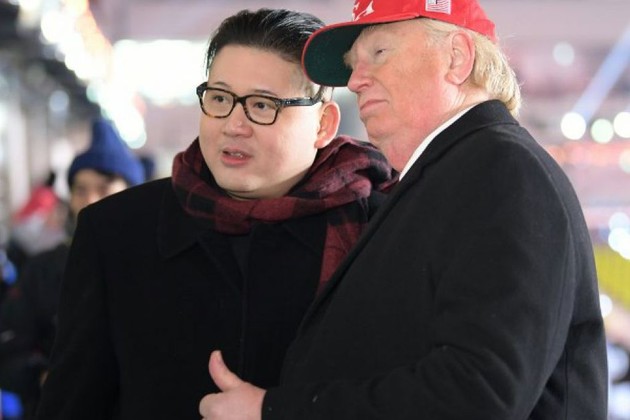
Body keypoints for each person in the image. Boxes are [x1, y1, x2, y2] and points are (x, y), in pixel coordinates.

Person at [198, 1, 608, 419]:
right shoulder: (452, 176)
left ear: (457, 58)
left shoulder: (501, 170)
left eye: (379, 52)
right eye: (352, 65)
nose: (355, 81)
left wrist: (272, 411)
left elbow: (480, 393)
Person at [34, 8, 395, 420]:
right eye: (220, 99)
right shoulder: (116, 232)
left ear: (323, 124)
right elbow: (71, 403)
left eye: (263, 105)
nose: (233, 125)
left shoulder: (378, 233)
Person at [0, 117, 145, 419]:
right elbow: (9, 352)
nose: (90, 200)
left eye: (104, 188)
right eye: (80, 190)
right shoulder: (44, 269)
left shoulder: (155, 266)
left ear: (132, 192)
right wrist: (46, 378)